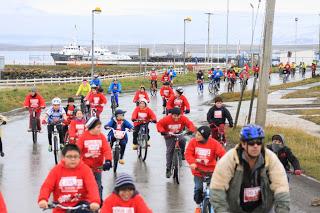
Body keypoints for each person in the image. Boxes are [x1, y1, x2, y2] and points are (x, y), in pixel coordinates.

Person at [210, 124, 290, 213]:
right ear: (243, 144)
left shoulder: (270, 158)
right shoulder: (230, 158)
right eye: (251, 143)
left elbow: (281, 186)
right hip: (235, 210)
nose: (255, 146)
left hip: (262, 210)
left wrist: (283, 210)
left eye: (259, 142)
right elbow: (217, 188)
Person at [38, 144, 101, 213]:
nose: (73, 159)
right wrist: (43, 199)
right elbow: (47, 186)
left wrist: (95, 201)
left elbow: (92, 187)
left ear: (80, 157)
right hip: (61, 207)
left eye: (75, 156)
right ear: (63, 157)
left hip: (81, 206)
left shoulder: (85, 170)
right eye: (69, 156)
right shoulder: (56, 170)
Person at [185, 126, 226, 213]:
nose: (196, 136)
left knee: (214, 191)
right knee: (198, 189)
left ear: (205, 137)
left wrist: (223, 165)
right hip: (198, 171)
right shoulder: (193, 142)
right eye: (196, 134)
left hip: (212, 171)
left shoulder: (214, 143)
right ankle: (198, 205)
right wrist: (192, 162)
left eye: (199, 135)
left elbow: (223, 154)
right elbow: (188, 153)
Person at [77, 117, 112, 202]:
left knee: (98, 185)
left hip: (98, 167)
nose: (100, 129)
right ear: (92, 127)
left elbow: (106, 149)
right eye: (98, 127)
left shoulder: (101, 137)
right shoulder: (83, 137)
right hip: (85, 167)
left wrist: (108, 160)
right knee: (84, 186)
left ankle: (98, 202)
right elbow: (77, 150)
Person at [157, 107, 196, 178]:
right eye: (174, 116)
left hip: (179, 133)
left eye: (178, 116)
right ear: (171, 115)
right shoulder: (166, 119)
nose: (176, 117)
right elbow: (159, 124)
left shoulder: (183, 118)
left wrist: (191, 130)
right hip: (169, 135)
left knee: (183, 141)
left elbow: (190, 124)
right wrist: (162, 131)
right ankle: (168, 169)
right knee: (170, 151)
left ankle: (182, 153)